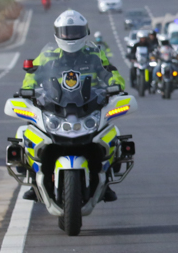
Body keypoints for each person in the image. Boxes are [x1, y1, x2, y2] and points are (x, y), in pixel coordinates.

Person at [22, 10, 126, 201]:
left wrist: (116, 85)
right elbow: (32, 74)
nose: (70, 36)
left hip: (90, 107)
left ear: (85, 32)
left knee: (112, 138)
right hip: (55, 108)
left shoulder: (95, 55)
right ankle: (33, 182)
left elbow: (110, 72)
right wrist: (27, 90)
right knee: (27, 135)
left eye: (75, 31)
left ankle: (106, 183)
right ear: (57, 33)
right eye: (66, 32)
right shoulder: (48, 56)